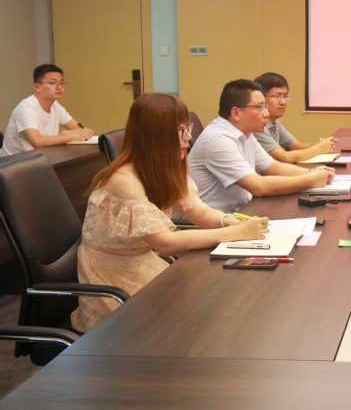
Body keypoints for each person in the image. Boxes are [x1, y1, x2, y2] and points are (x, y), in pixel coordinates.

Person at [72, 93, 268, 333]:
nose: (189, 137)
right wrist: (234, 233)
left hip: (143, 263)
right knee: (189, 323)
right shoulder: (124, 180)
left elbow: (199, 212)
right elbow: (165, 243)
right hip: (112, 278)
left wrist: (229, 222)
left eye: (188, 128)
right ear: (157, 135)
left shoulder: (160, 167)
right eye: (182, 130)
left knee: (211, 308)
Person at [189, 79, 334, 213]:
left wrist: (311, 172)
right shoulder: (218, 139)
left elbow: (274, 168)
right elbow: (259, 186)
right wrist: (310, 180)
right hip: (216, 225)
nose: (266, 113)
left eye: (265, 107)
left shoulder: (245, 133)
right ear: (236, 113)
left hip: (242, 213)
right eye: (260, 108)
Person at [1, 64, 93, 156]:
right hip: (15, 162)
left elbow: (80, 129)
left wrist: (68, 134)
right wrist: (71, 136)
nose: (59, 87)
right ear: (37, 87)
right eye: (53, 83)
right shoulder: (26, 108)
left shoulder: (55, 106)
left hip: (42, 159)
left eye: (61, 83)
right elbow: (37, 142)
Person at [253, 72, 336, 164]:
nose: (283, 102)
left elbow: (298, 146)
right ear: (261, 99)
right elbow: (285, 157)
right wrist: (318, 148)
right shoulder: (257, 125)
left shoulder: (274, 121)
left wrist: (322, 146)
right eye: (277, 96)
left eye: (285, 96)